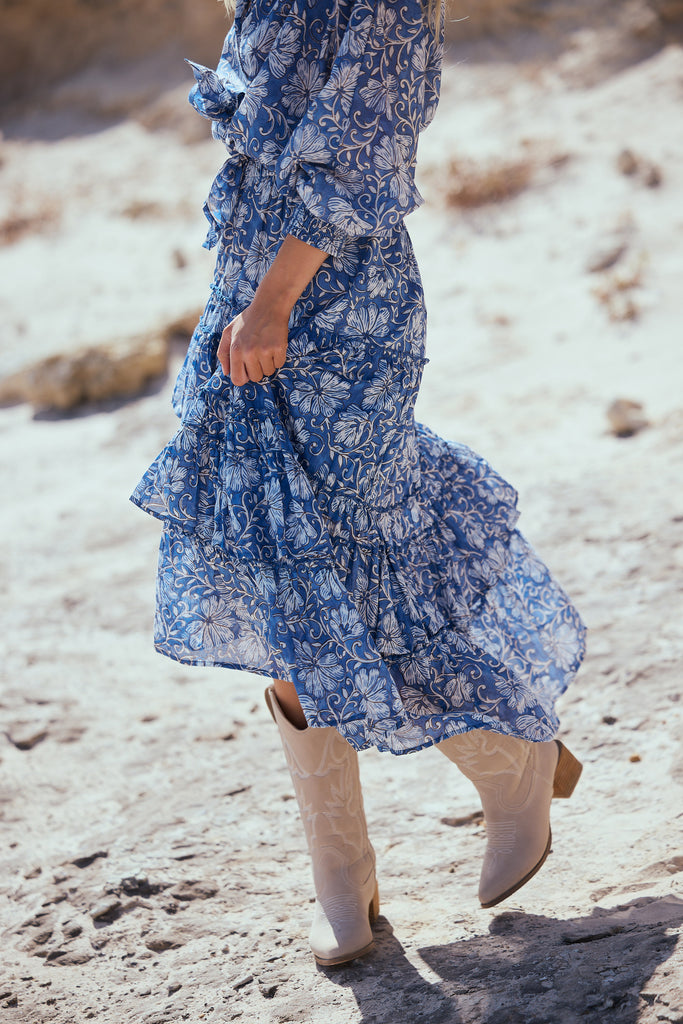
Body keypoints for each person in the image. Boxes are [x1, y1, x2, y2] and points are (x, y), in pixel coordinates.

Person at [131, 0, 586, 967]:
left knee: (363, 551)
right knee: (274, 568)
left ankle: (509, 763)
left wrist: (270, 306)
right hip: (246, 287)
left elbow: (361, 154)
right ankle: (343, 874)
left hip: (334, 304)